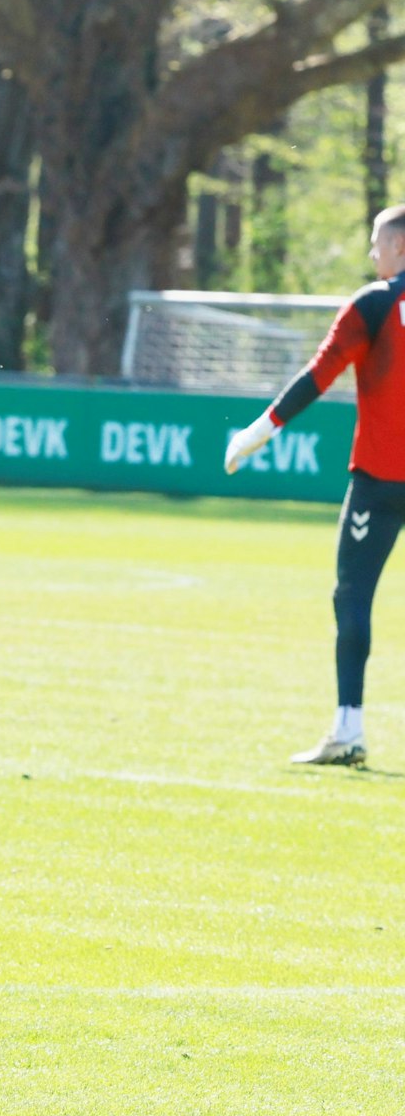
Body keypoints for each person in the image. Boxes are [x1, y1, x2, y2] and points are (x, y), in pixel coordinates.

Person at [226, 203, 405, 766]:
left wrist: (259, 430)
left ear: (399, 248)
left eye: (377, 242)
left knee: (352, 596)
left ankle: (348, 730)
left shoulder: (375, 304)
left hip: (380, 479)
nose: (372, 253)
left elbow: (322, 371)